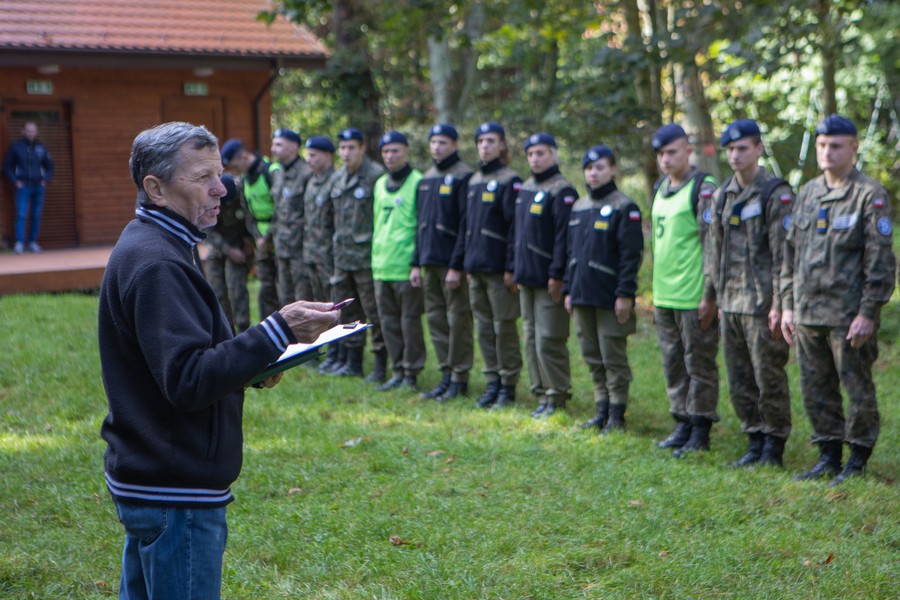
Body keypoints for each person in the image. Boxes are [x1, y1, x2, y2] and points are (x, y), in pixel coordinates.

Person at [98, 121, 339, 599]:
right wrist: (277, 330)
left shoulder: (160, 242)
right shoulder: (158, 261)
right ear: (156, 187)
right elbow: (187, 380)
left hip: (157, 478)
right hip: (175, 489)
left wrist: (255, 364)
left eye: (221, 172)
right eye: (202, 177)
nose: (221, 187)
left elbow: (180, 360)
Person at [781, 114, 896, 485]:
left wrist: (868, 312)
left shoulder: (869, 195)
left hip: (848, 315)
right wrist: (786, 305)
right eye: (822, 145)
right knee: (815, 387)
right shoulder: (808, 193)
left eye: (835, 145)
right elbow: (789, 256)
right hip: (808, 311)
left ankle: (857, 458)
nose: (827, 152)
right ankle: (828, 456)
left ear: (853, 147)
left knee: (856, 386)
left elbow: (880, 261)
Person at [708, 120, 793, 467]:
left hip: (762, 305)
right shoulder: (722, 194)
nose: (735, 155)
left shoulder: (775, 193)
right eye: (730, 149)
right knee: (739, 377)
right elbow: (713, 251)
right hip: (730, 302)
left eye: (742, 148)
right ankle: (754, 439)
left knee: (768, 375)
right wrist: (709, 296)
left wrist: (780, 303)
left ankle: (774, 444)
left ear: (759, 149)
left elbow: (784, 254)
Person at [649, 123, 720, 457]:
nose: (666, 159)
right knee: (672, 363)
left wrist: (709, 294)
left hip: (693, 296)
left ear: (687, 150)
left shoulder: (703, 189)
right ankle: (682, 421)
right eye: (661, 153)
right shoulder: (660, 187)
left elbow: (712, 245)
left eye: (672, 151)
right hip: (664, 295)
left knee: (699, 364)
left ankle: (700, 428)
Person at [564, 145, 643, 432]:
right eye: (589, 168)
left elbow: (630, 256)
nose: (593, 173)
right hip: (582, 294)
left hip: (610, 296)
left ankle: (617, 413)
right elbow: (570, 252)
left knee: (613, 356)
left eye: (599, 167)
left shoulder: (625, 207)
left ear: (613, 170)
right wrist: (568, 290)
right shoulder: (579, 207)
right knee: (591, 355)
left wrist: (624, 294)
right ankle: (601, 408)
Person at [514, 133, 577, 417]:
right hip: (526, 276)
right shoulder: (526, 187)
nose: (535, 159)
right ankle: (540, 391)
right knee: (530, 336)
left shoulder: (562, 190)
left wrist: (557, 274)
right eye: (531, 154)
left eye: (541, 153)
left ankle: (557, 394)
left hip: (548, 279)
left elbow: (564, 238)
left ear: (553, 154)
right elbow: (517, 234)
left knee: (548, 338)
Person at [410, 124, 475, 401]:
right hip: (428, 262)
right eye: (434, 142)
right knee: (436, 320)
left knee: (457, 320)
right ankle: (446, 375)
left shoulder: (464, 177)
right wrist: (415, 262)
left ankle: (460, 378)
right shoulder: (426, 178)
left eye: (443, 142)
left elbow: (465, 225)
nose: (437, 147)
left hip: (451, 265)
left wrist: (456, 265)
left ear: (455, 145)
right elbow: (419, 223)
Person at [464, 122, 523, 409]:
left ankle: (508, 386)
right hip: (476, 269)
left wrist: (511, 267)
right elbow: (468, 227)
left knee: (504, 328)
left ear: (502, 145)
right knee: (484, 329)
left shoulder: (510, 180)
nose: (485, 145)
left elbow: (515, 228)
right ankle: (492, 382)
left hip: (500, 271)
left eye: (491, 140)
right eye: (481, 141)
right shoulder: (474, 180)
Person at [371, 131, 426, 391]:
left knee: (410, 322)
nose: (390, 156)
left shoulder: (418, 182)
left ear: (406, 151)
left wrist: (417, 263)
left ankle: (412, 372)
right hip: (381, 265)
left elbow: (422, 226)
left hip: (406, 266)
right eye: (385, 152)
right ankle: (397, 370)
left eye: (395, 150)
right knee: (388, 322)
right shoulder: (380, 183)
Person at [331, 127, 387, 379]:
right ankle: (352, 360)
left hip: (366, 258)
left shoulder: (375, 175)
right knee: (348, 310)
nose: (346, 153)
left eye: (351, 147)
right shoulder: (338, 177)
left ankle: (380, 363)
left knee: (373, 311)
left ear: (362, 148)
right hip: (342, 257)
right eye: (342, 148)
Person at [220, 138, 283, 320]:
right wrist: (258, 238)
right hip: (261, 243)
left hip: (280, 240)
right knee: (266, 291)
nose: (234, 172)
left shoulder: (270, 172)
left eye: (234, 166)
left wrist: (268, 238)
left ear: (243, 157)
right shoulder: (246, 179)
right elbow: (248, 213)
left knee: (285, 291)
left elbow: (281, 209)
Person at [301, 135, 343, 373]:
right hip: (312, 253)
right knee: (318, 303)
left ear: (327, 156)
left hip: (330, 255)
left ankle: (338, 351)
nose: (309, 160)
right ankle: (323, 348)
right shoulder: (312, 181)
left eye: (314, 155)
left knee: (333, 305)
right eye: (308, 154)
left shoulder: (335, 181)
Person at [203, 169, 254, 334]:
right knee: (217, 292)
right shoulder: (207, 200)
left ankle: (244, 330)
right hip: (217, 247)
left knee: (237, 290)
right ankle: (226, 332)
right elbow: (208, 232)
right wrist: (228, 250)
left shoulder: (240, 194)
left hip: (237, 245)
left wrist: (248, 240)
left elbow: (248, 218)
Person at [271, 128, 314, 306]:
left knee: (303, 299)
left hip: (300, 250)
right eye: (273, 144)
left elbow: (311, 215)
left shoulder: (307, 173)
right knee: (285, 300)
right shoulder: (277, 174)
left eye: (279, 144)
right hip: (282, 247)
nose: (273, 148)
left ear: (294, 147)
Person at [3, 121, 54, 253]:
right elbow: (6, 167)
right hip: (23, 186)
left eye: (32, 131)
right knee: (21, 214)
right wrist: (15, 181)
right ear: (23, 131)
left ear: (36, 132)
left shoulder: (41, 147)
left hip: (38, 186)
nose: (30, 133)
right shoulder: (16, 147)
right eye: (28, 130)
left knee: (36, 215)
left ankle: (33, 242)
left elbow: (50, 166)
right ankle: (20, 243)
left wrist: (46, 180)